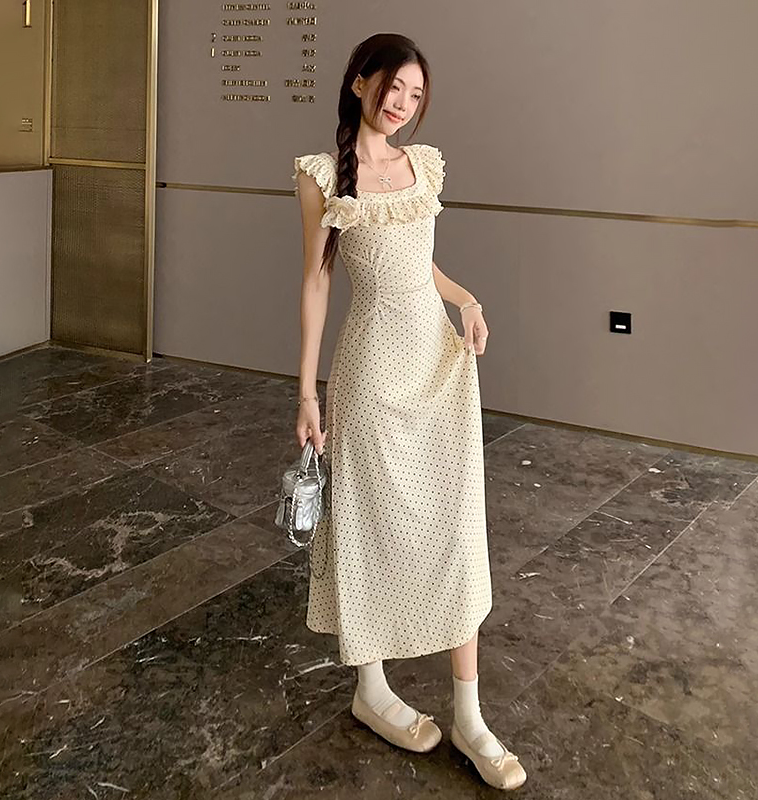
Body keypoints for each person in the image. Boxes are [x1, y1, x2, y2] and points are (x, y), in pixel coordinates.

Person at [292, 33, 526, 791]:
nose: (403, 104)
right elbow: (317, 283)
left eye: (416, 94)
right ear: (361, 82)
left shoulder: (423, 166)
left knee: (457, 531)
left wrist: (467, 299)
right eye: (394, 86)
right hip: (368, 377)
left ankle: (471, 717)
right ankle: (372, 689)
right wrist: (305, 391)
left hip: (437, 368)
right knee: (368, 529)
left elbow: (416, 262)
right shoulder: (323, 175)